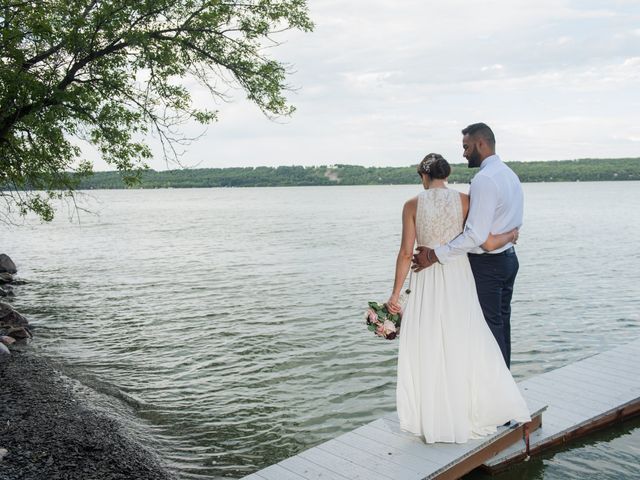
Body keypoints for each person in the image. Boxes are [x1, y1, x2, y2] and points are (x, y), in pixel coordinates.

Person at [387, 153, 529, 443]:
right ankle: (469, 408)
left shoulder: (411, 205)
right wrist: (510, 235)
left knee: (429, 343)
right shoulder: (465, 201)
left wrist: (395, 294)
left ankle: (436, 415)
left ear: (423, 177)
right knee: (461, 339)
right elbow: (485, 241)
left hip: (425, 277)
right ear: (446, 174)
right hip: (458, 276)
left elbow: (405, 253)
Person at [412, 123, 522, 369]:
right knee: (501, 325)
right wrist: (507, 238)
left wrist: (433, 256)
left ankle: (498, 397)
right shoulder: (509, 175)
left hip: (488, 265)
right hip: (508, 260)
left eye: (466, 147)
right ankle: (505, 387)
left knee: (487, 331)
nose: (463, 153)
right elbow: (513, 224)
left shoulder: (485, 180)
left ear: (481, 144)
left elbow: (474, 235)